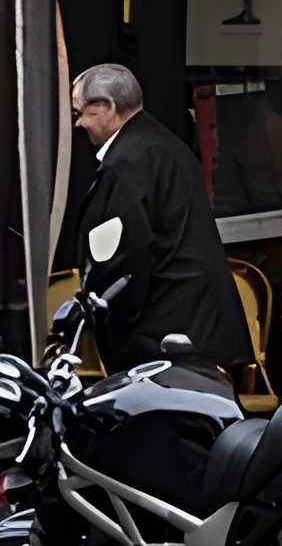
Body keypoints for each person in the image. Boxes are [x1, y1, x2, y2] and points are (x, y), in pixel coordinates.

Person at [64, 64, 253, 379]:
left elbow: (123, 258)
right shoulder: (162, 145)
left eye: (80, 113)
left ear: (106, 107)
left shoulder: (128, 161)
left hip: (164, 335)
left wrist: (111, 321)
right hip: (197, 326)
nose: (78, 124)